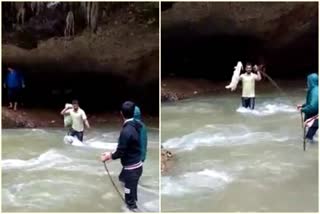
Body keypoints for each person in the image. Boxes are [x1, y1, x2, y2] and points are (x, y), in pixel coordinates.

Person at [101, 101, 143, 211]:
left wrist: (108, 156)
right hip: (137, 166)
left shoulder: (126, 131)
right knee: (122, 180)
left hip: (131, 170)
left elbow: (120, 152)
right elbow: (127, 147)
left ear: (121, 113)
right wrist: (111, 153)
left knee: (129, 202)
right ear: (134, 112)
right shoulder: (137, 125)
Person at [298, 73, 318, 142]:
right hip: (315, 119)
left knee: (308, 139)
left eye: (308, 81)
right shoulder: (314, 89)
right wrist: (303, 106)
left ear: (311, 81)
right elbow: (312, 103)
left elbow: (313, 107)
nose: (307, 83)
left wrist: (303, 109)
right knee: (311, 137)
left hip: (315, 119)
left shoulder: (315, 91)